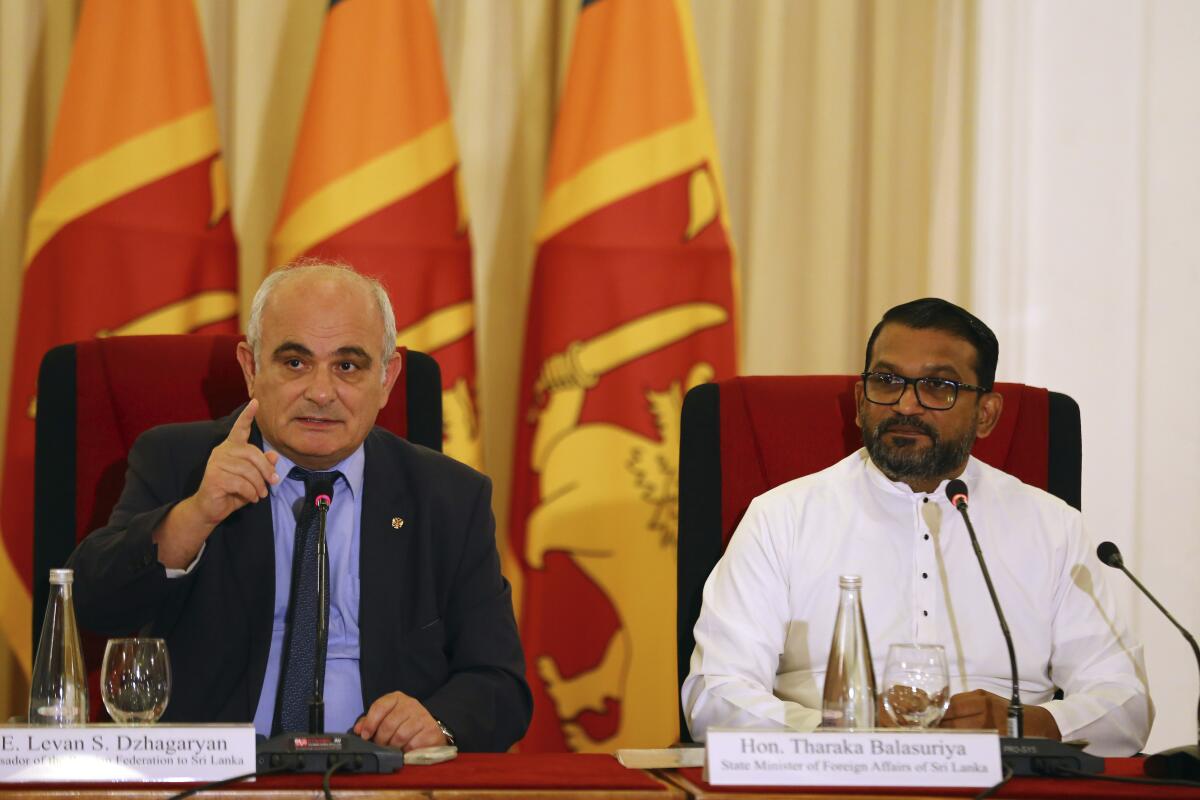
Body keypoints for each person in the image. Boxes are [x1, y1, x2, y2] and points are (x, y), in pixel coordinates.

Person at [68, 262, 531, 752]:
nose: (321, 392)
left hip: (380, 778)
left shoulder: (448, 497)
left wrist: (437, 720)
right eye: (295, 362)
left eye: (348, 366)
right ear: (251, 368)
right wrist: (196, 514)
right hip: (218, 778)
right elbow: (95, 605)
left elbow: (501, 684)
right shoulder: (180, 462)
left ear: (388, 377)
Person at [681, 298, 1152, 756]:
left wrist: (1028, 724)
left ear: (986, 414)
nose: (906, 405)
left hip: (1005, 781)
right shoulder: (782, 518)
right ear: (859, 400)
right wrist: (841, 733)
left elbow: (1125, 704)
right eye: (886, 381)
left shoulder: (1053, 528)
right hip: (832, 784)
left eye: (938, 387)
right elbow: (714, 695)